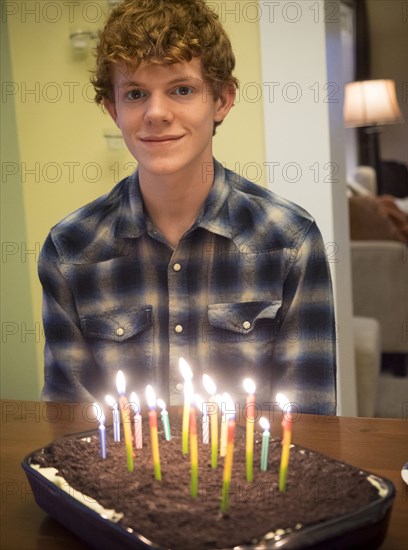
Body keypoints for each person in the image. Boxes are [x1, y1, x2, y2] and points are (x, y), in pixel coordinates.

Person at [39, 0, 336, 414]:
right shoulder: (70, 250)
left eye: (181, 89)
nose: (157, 113)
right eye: (136, 93)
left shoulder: (290, 240)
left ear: (222, 100)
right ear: (113, 109)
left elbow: (307, 422)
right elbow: (69, 424)